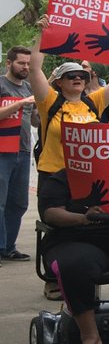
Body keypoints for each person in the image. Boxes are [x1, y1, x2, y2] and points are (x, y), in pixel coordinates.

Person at [30, 15, 109, 180]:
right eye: (71, 75)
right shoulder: (49, 101)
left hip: (86, 176)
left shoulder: (94, 101)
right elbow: (34, 69)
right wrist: (43, 35)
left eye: (82, 75)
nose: (78, 78)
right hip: (53, 176)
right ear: (59, 82)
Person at [37, 168, 109, 344]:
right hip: (75, 237)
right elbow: (50, 213)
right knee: (75, 265)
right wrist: (83, 218)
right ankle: (90, 336)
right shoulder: (62, 178)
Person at [0, 46, 36, 262]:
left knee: (19, 203)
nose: (25, 67)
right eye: (21, 63)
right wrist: (21, 103)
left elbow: (34, 121)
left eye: (28, 64)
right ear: (9, 63)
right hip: (2, 150)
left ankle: (8, 247)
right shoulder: (1, 84)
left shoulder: (29, 87)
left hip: (23, 151)